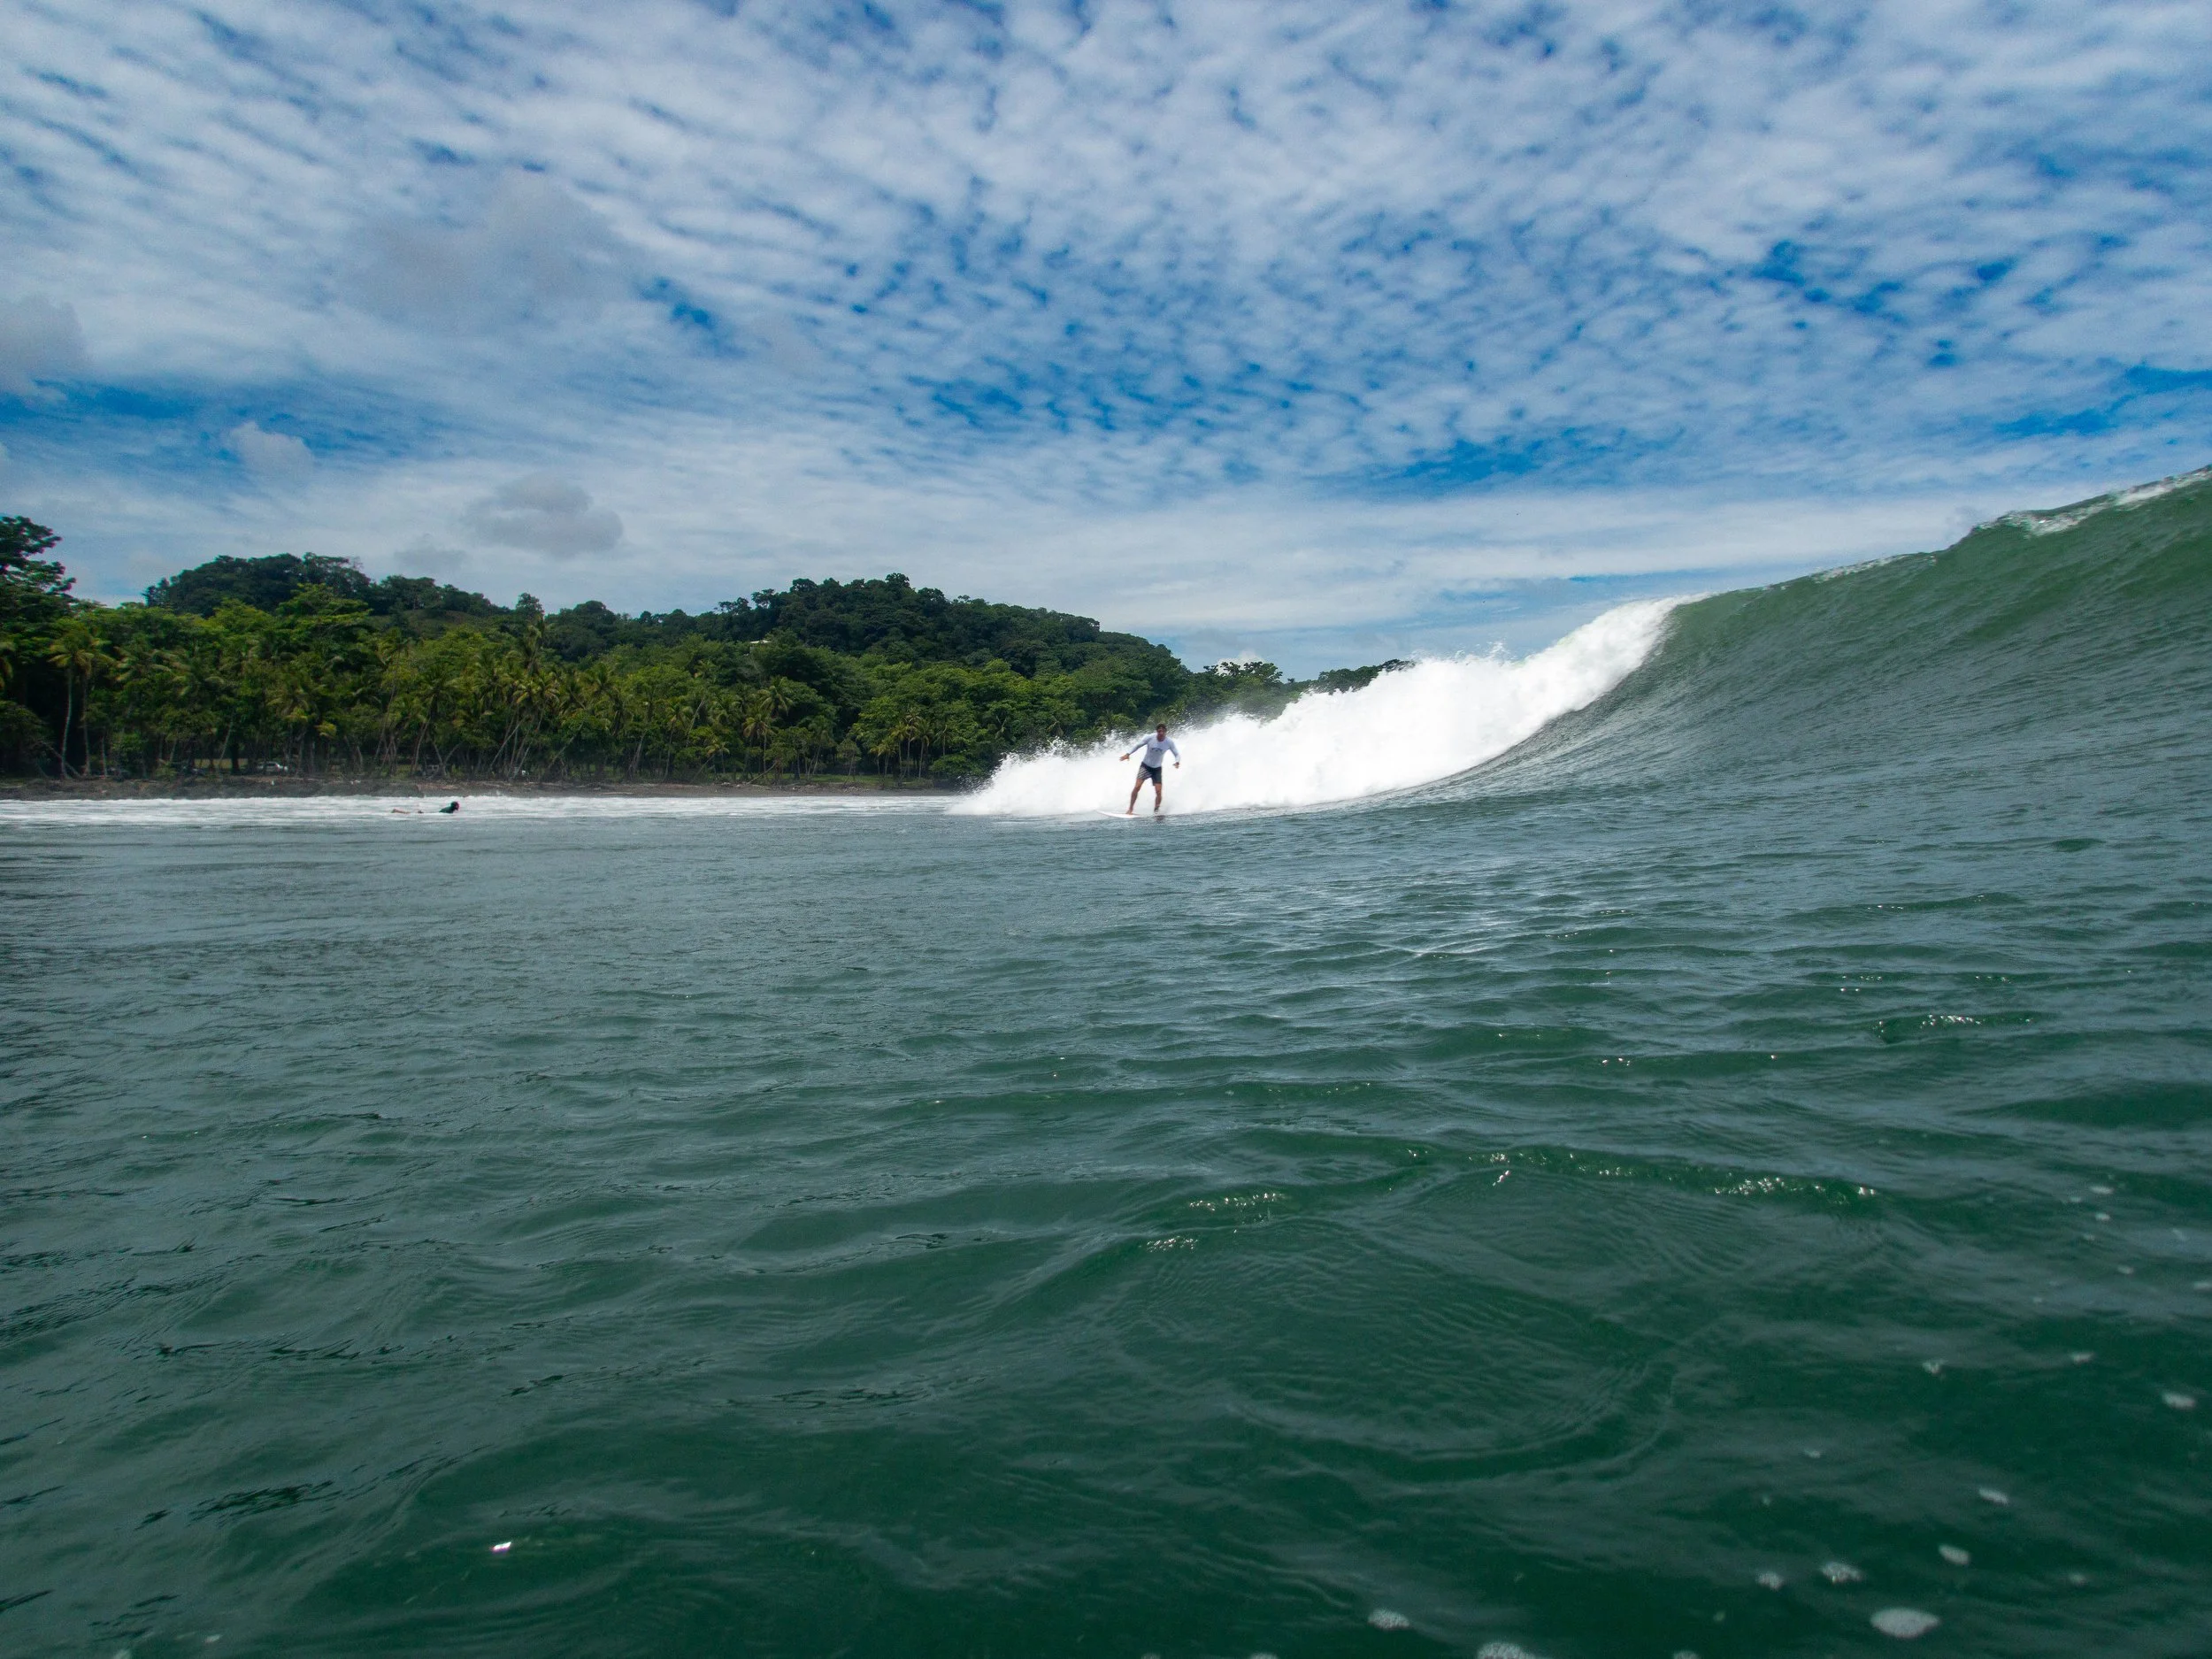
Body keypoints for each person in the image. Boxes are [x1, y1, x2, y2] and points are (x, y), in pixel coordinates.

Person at [1119, 723, 1180, 815]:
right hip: (1145, 766)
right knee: (1137, 787)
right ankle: (1130, 809)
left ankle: (1156, 811)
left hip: (1157, 769)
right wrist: (1128, 754)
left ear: (1165, 732)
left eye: (1163, 731)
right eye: (1159, 731)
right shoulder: (1150, 737)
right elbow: (1138, 745)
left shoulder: (1169, 742)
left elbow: (1177, 754)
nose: (1161, 733)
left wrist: (1177, 762)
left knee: (1159, 791)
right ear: (1157, 732)